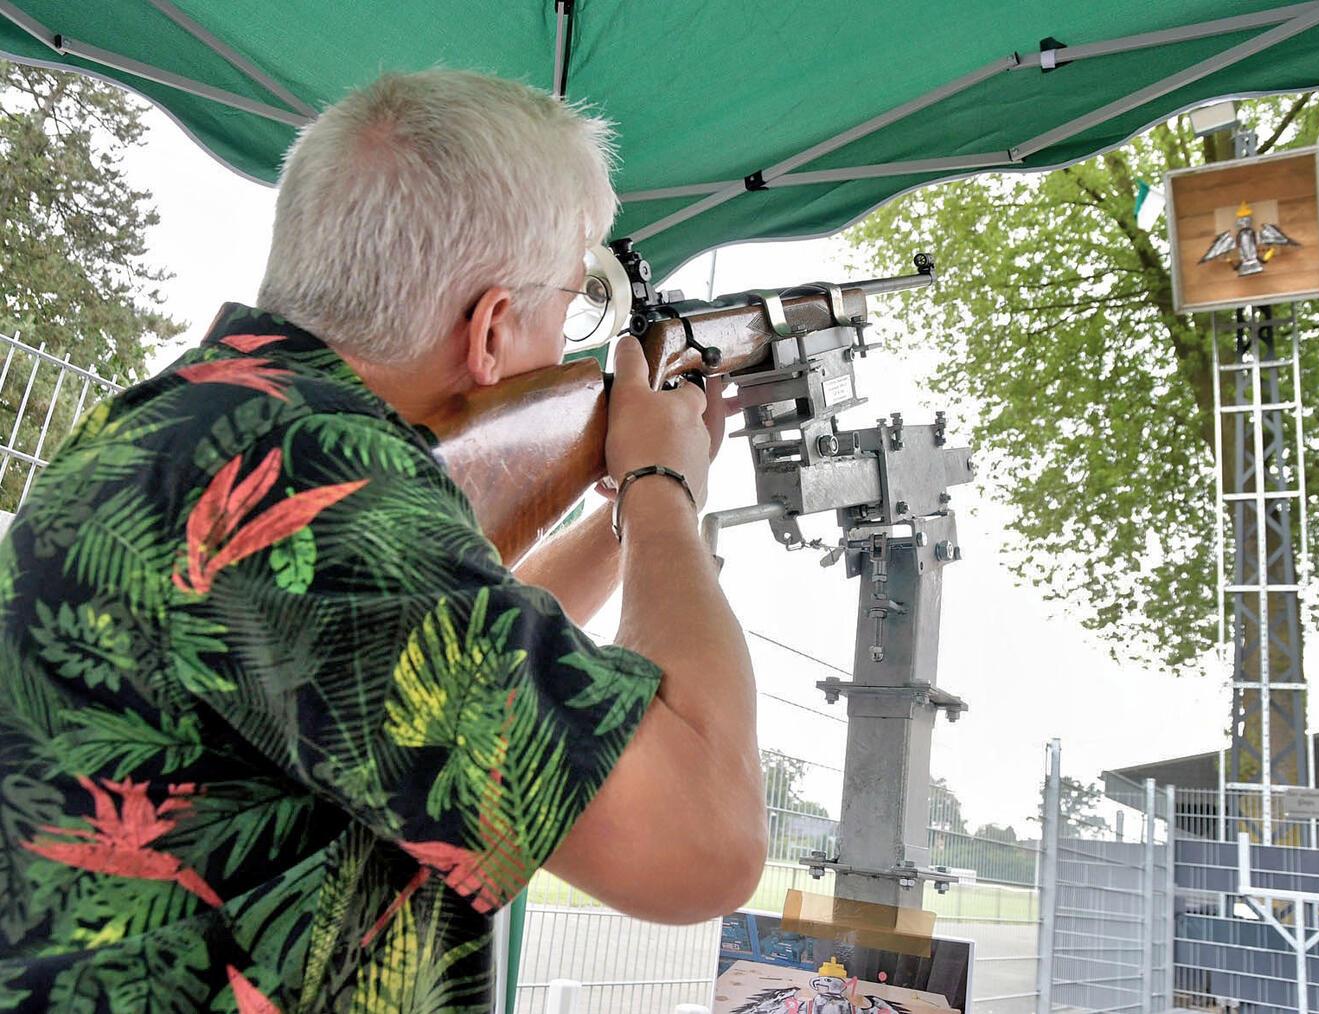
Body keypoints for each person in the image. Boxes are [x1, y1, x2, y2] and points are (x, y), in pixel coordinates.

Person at [0, 69, 765, 1012]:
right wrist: (664, 491)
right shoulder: (313, 480)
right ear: (491, 328)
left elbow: (438, 677)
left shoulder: (186, 431)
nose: (570, 348)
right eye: (571, 307)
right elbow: (703, 840)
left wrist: (625, 514)